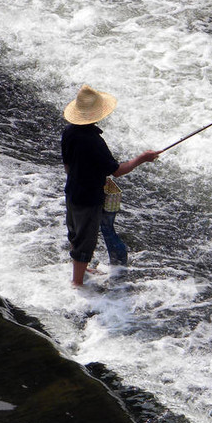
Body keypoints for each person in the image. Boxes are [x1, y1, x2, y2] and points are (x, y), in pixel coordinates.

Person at [61, 84, 159, 287]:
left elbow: (68, 165)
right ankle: (77, 283)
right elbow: (117, 170)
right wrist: (142, 158)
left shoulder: (69, 132)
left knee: (75, 231)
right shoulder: (94, 141)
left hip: (72, 191)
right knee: (86, 240)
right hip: (89, 198)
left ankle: (81, 268)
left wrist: (85, 175)